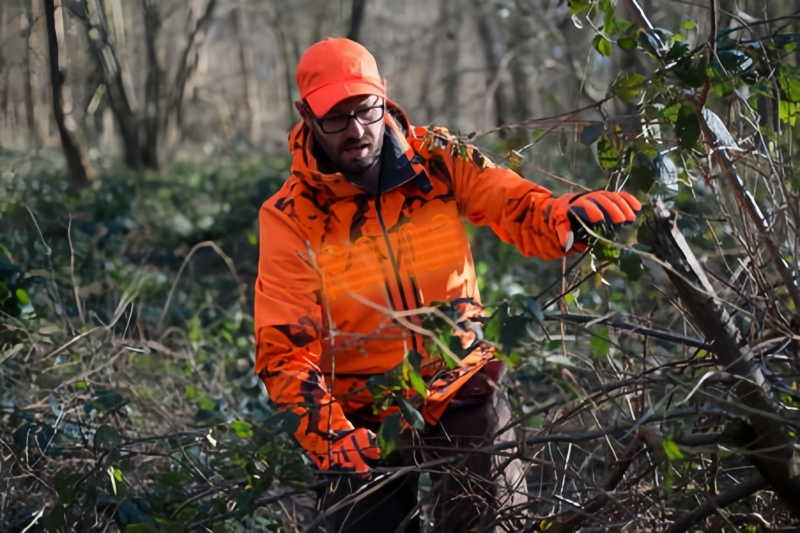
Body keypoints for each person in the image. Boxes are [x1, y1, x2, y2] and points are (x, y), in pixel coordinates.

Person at [253, 37, 641, 532]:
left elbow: (509, 200)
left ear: (384, 95)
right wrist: (328, 432)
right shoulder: (291, 216)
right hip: (361, 414)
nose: (356, 129)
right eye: (336, 117)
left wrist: (563, 217)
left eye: (366, 109)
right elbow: (285, 349)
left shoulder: (437, 157)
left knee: (492, 521)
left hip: (462, 386)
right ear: (305, 115)